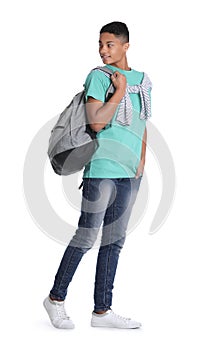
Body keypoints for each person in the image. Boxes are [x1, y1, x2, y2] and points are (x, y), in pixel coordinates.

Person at [43, 21, 152, 329]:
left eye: (110, 44)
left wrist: (140, 164)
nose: (103, 50)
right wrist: (117, 92)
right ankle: (55, 300)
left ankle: (101, 312)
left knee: (114, 241)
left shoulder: (144, 81)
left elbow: (143, 122)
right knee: (87, 236)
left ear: (126, 46)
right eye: (100, 45)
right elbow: (96, 123)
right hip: (102, 169)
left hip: (130, 174)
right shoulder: (99, 77)